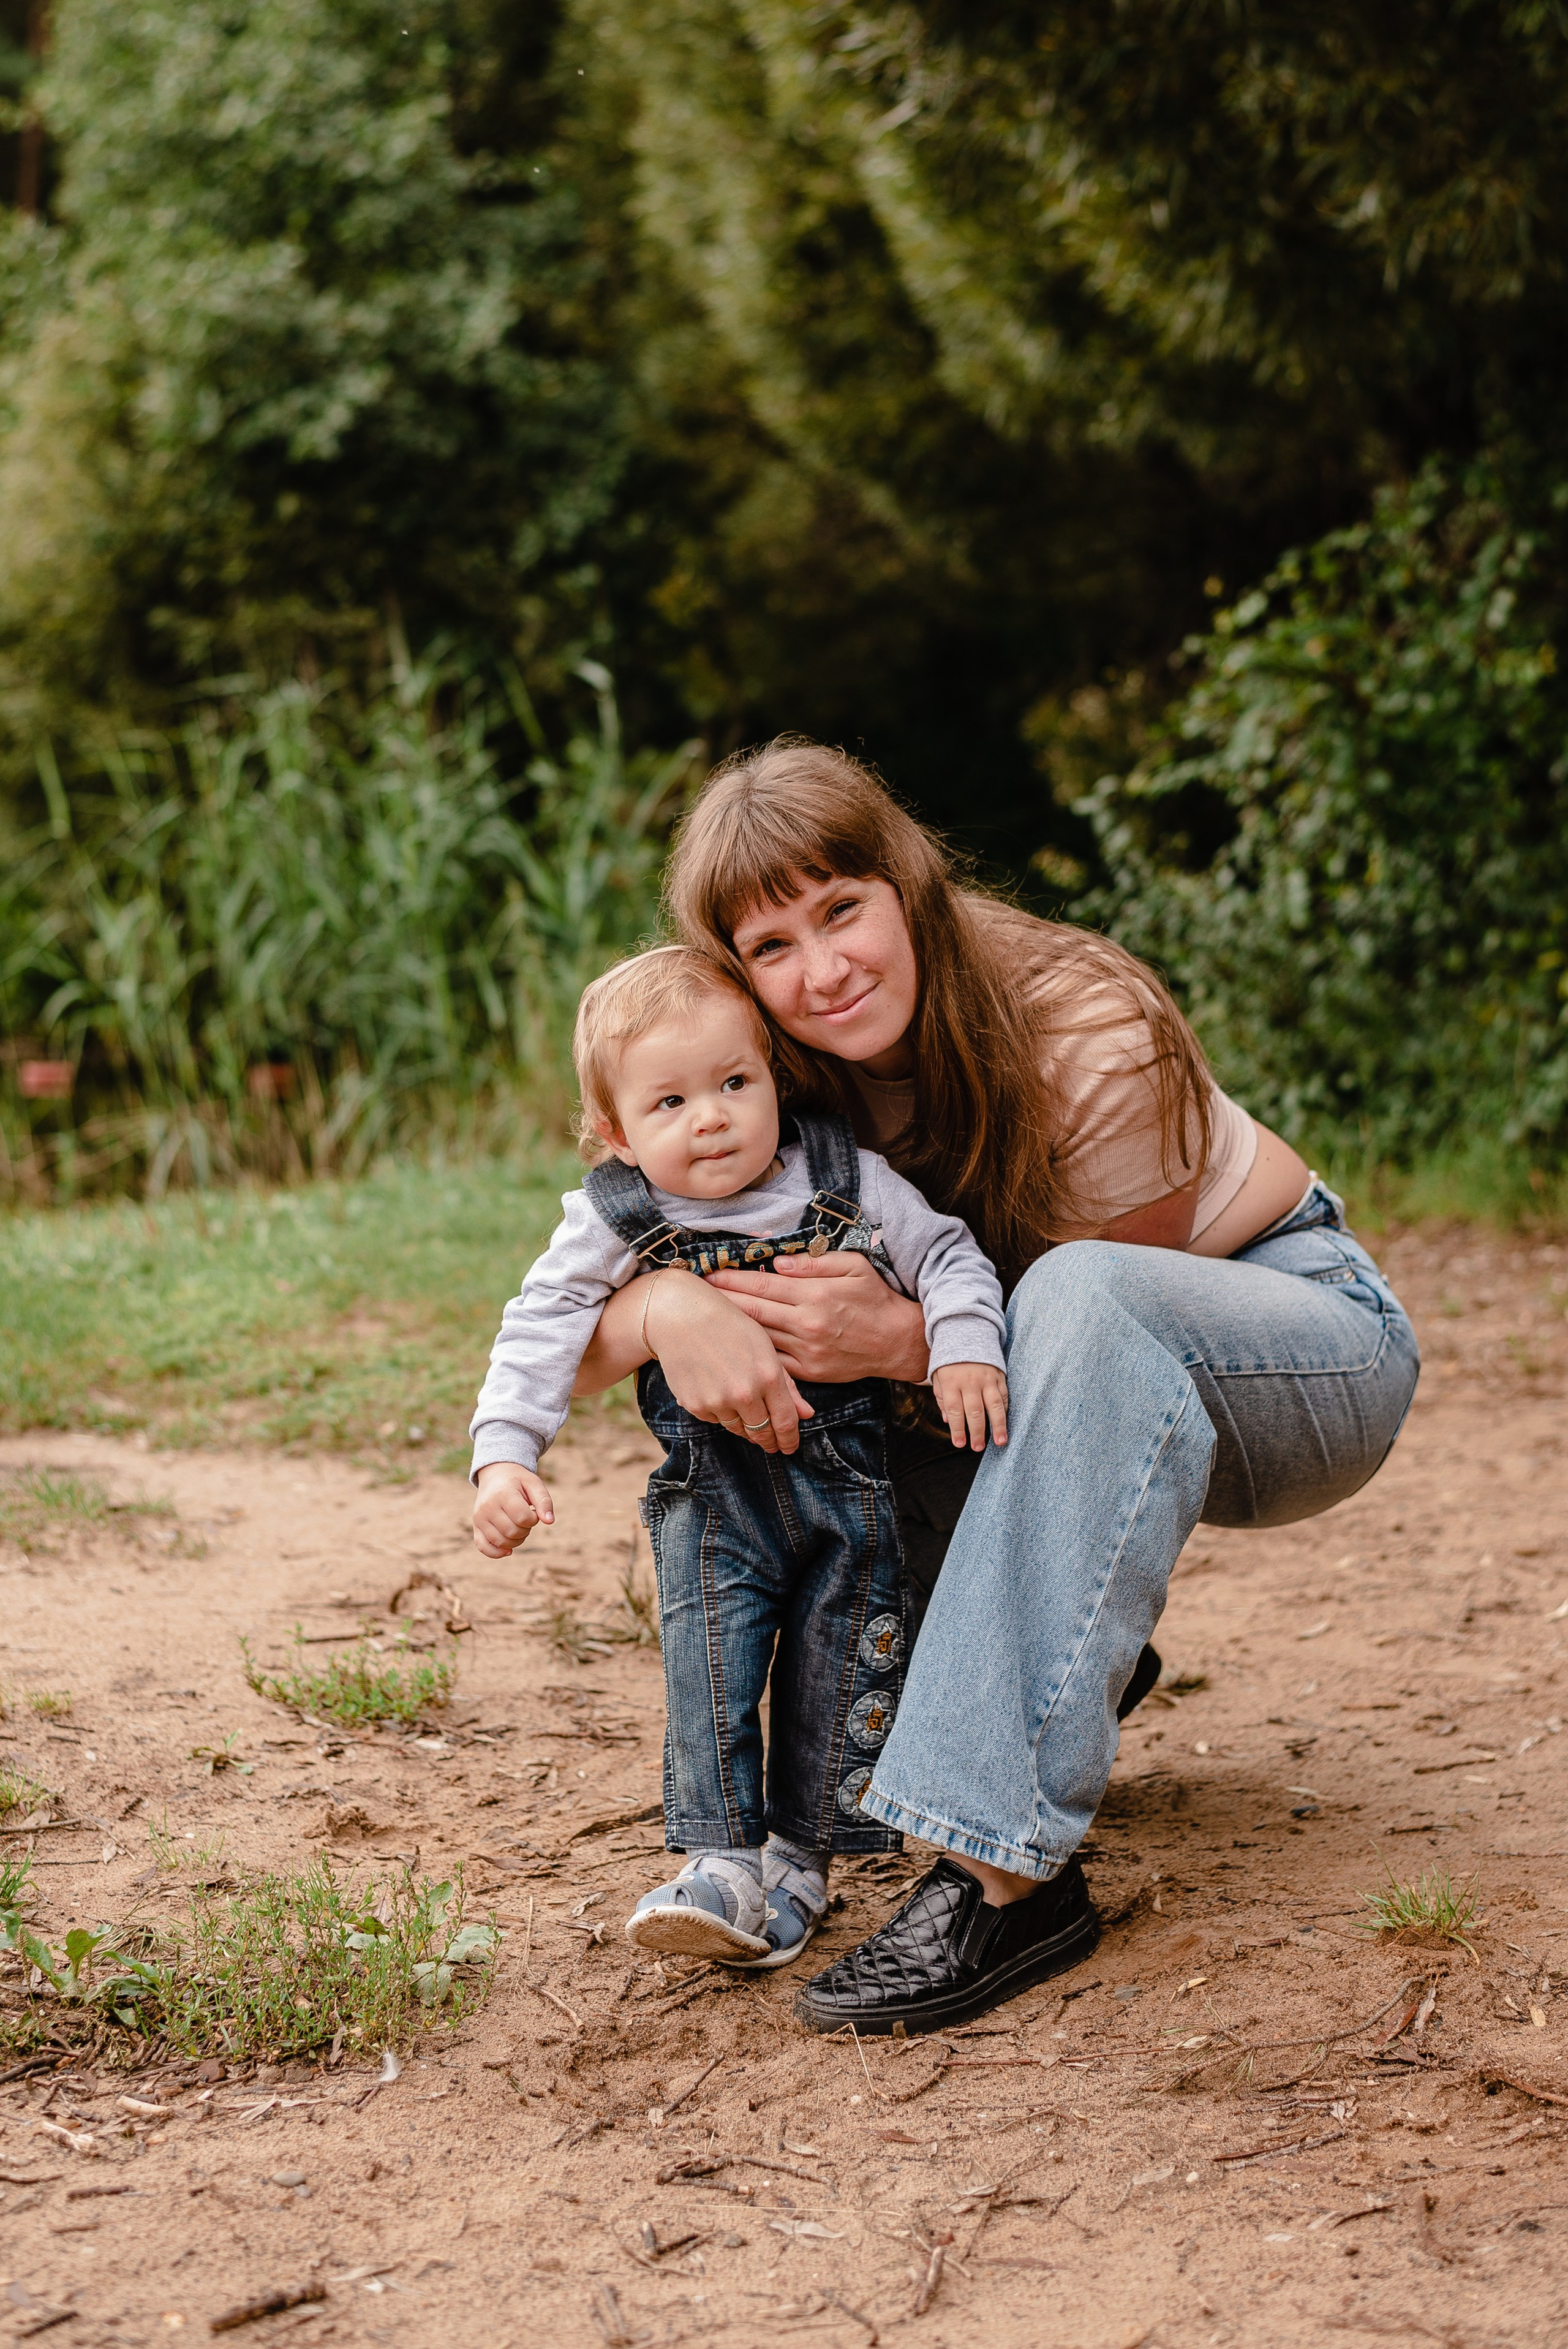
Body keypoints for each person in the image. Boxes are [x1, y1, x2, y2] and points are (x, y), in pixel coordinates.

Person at [570, 741, 1422, 2035]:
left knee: (1061, 1293)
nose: (823, 970)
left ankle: (1001, 1874)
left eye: (841, 910)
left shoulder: (1082, 1016)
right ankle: (1071, 1673)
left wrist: (906, 1343)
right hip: (1071, 1392)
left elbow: (1097, 1352)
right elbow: (562, 1325)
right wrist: (666, 1303)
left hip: (1299, 1350)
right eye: (772, 947)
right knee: (828, 1374)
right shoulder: (766, 1072)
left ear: (905, 885)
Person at [468, 944, 1009, 1969]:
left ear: (774, 1078)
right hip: (713, 1504)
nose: (709, 1116)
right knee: (710, 1671)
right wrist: (505, 1454)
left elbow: (946, 1253)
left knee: (831, 1665)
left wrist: (964, 1342)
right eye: (669, 1102)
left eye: (732, 1083)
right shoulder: (619, 1215)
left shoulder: (848, 1177)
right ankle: (718, 1860)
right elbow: (542, 1322)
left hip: (855, 1499)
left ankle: (800, 1863)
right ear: (616, 1133)